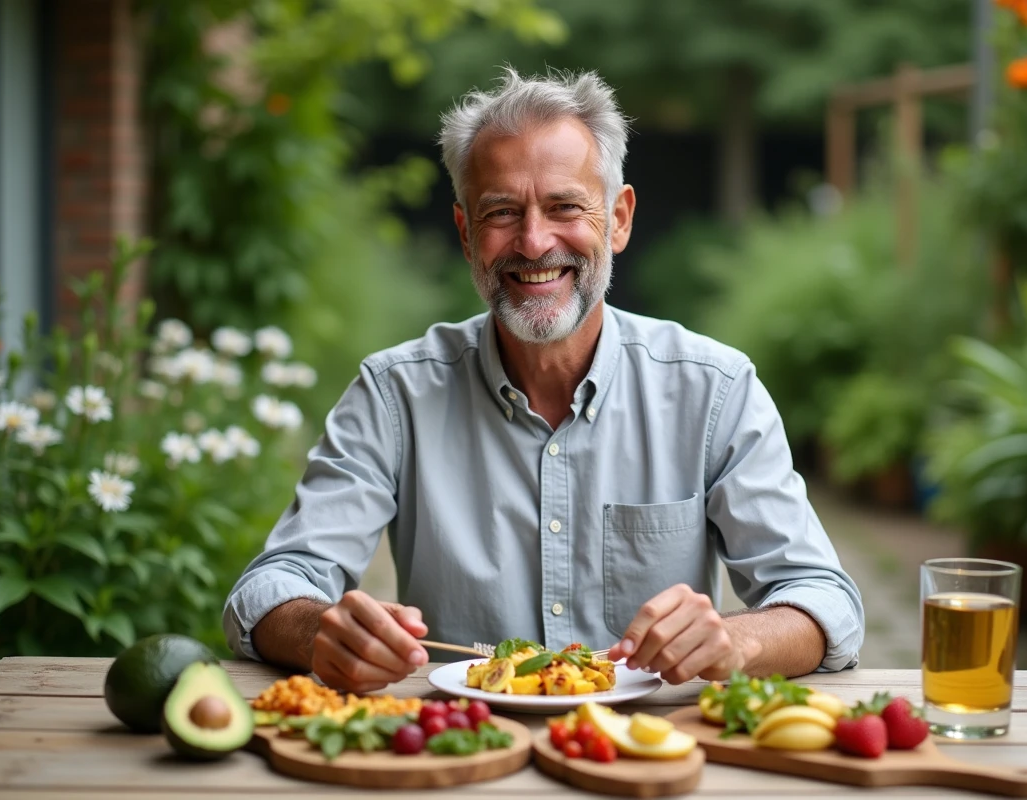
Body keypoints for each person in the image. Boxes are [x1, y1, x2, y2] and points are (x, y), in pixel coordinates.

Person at [223, 67, 865, 694]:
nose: (533, 243)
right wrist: (321, 633)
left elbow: (822, 600)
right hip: (466, 757)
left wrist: (738, 640)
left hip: (647, 759)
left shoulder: (714, 390)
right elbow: (268, 589)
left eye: (564, 207)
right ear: (465, 232)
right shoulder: (394, 396)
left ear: (617, 219)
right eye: (501, 211)